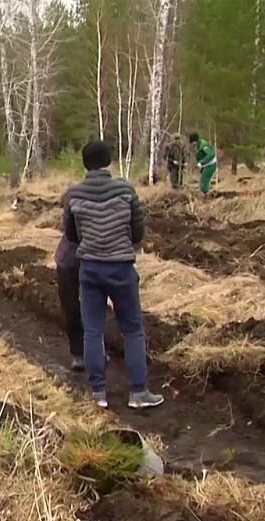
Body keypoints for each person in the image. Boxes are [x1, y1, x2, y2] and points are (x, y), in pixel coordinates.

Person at [62, 139, 164, 410]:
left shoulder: (74, 195)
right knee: (131, 329)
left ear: (85, 164)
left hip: (90, 268)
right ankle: (138, 393)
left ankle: (98, 393)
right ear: (108, 161)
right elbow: (138, 230)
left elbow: (71, 235)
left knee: (92, 330)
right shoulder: (125, 190)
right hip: (121, 266)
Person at [55, 206, 110, 371]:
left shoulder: (108, 200)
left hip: (95, 259)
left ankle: (98, 350)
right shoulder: (75, 197)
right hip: (70, 259)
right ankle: (79, 354)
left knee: (94, 306)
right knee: (71, 307)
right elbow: (70, 230)